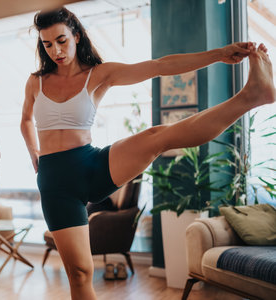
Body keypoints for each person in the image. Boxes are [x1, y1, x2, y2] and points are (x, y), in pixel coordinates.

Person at [20, 7, 275, 300]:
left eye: (61, 40)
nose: (56, 50)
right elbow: (26, 120)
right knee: (79, 274)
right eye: (48, 44)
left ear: (76, 35)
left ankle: (251, 96)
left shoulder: (100, 74)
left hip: (91, 164)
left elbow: (159, 66)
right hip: (55, 184)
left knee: (158, 136)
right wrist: (33, 151)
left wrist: (218, 54)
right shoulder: (35, 81)